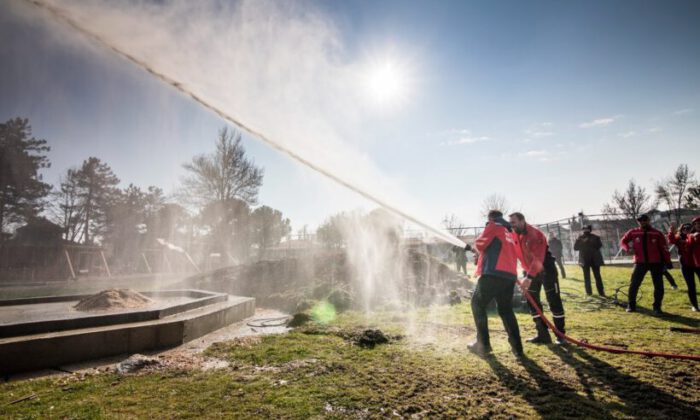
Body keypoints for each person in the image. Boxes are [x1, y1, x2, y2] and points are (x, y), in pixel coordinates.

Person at [468, 210, 523, 357]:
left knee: (477, 304)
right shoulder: (509, 231)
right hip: (509, 276)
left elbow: (480, 244)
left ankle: (483, 344)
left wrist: (477, 247)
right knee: (506, 310)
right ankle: (518, 348)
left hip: (493, 274)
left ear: (490, 218)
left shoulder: (493, 225)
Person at [509, 212, 566, 345]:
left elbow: (538, 259)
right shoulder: (513, 234)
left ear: (522, 220)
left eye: (514, 222)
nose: (511, 225)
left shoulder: (536, 234)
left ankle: (560, 335)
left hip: (546, 270)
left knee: (553, 300)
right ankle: (543, 334)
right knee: (532, 301)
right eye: (510, 223)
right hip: (529, 271)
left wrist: (528, 278)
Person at [619, 214, 672, 315]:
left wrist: (668, 261)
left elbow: (664, 248)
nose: (643, 222)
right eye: (640, 221)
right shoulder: (633, 232)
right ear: (638, 222)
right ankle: (631, 305)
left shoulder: (657, 233)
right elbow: (623, 241)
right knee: (634, 284)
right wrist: (627, 248)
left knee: (659, 286)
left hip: (656, 263)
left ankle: (657, 308)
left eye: (645, 220)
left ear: (649, 220)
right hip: (640, 262)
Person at [668, 221, 698, 311]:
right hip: (685, 265)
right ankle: (695, 306)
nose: (686, 230)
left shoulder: (696, 236)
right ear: (681, 230)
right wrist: (671, 231)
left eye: (688, 228)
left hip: (697, 264)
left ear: (692, 229)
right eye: (684, 229)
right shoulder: (678, 238)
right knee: (691, 286)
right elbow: (671, 240)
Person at [574, 225, 605, 296]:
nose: (585, 231)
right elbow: (575, 248)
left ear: (590, 230)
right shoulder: (580, 238)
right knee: (586, 277)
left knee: (597, 276)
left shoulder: (596, 237)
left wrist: (588, 241)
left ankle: (601, 292)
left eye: (587, 229)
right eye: (584, 229)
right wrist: (580, 241)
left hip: (594, 259)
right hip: (584, 260)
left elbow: (599, 246)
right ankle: (588, 292)